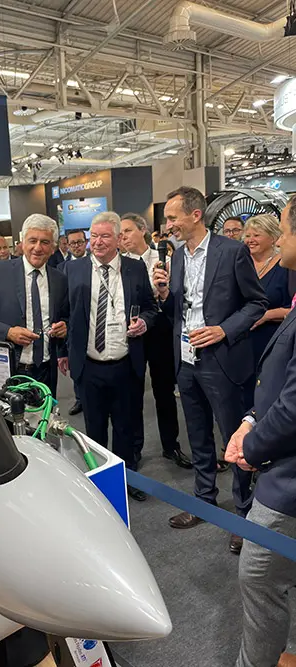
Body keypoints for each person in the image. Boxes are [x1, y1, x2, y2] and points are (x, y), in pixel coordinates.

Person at [153, 186, 268, 547]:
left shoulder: (231, 251)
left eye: (172, 218)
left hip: (223, 361)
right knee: (198, 434)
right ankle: (204, 501)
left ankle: (244, 516)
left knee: (233, 438)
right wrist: (164, 296)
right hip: (187, 361)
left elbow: (257, 303)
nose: (168, 225)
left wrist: (223, 330)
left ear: (195, 215)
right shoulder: (177, 257)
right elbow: (179, 309)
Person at [225, 197, 296, 667]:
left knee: (258, 575)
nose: (280, 237)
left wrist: (251, 446)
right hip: (277, 454)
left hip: (287, 481)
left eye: (285, 229)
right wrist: (252, 418)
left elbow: (293, 407)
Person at [64, 211, 158, 502]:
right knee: (93, 429)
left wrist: (144, 322)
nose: (98, 242)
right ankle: (100, 482)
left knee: (125, 427)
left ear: (118, 239)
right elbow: (63, 315)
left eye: (105, 236)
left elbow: (151, 308)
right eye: (94, 236)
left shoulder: (135, 268)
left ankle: (127, 478)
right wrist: (62, 352)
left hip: (126, 364)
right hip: (89, 366)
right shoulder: (73, 270)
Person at [0, 214, 68, 397]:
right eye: (32, 241)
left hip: (46, 372)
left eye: (45, 242)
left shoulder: (59, 279)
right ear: (22, 243)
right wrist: (8, 332)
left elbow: (65, 317)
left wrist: (64, 327)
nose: (38, 247)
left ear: (53, 247)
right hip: (9, 372)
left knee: (45, 415)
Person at [120, 212, 191, 470]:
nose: (123, 237)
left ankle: (171, 445)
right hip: (134, 331)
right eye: (120, 233)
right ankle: (134, 449)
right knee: (133, 393)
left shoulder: (165, 259)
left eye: (127, 231)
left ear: (143, 230)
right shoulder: (120, 265)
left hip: (162, 330)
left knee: (164, 392)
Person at [243, 214, 291, 406]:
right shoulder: (241, 263)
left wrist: (266, 316)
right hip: (241, 343)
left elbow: (292, 309)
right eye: (247, 235)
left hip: (271, 341)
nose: (250, 240)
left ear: (273, 238)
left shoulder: (286, 265)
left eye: (256, 235)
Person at [57, 229, 89, 415]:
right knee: (76, 364)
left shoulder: (96, 263)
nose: (76, 246)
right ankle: (80, 399)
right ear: (67, 245)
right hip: (72, 324)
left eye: (80, 242)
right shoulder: (62, 268)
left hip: (94, 323)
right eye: (72, 243)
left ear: (86, 242)